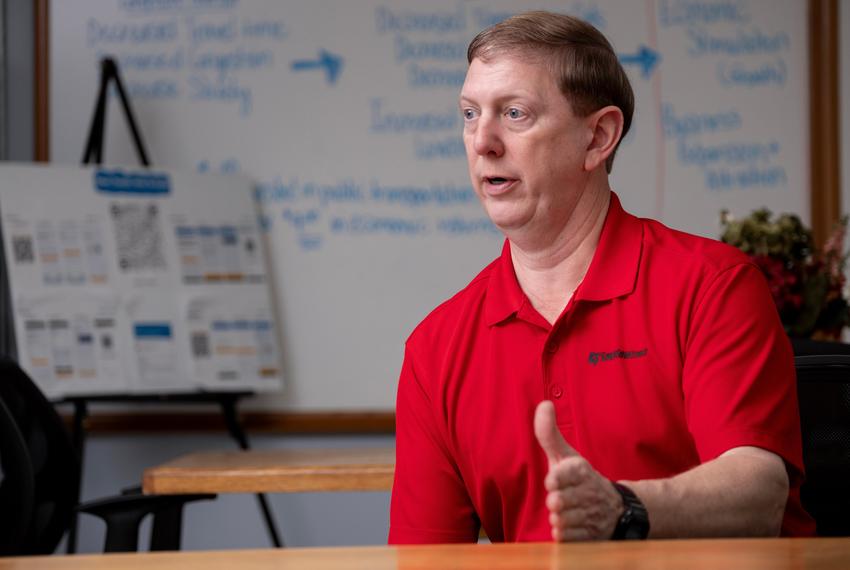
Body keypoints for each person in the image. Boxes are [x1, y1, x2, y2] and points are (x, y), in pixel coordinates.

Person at [388, 10, 815, 543]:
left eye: (515, 113)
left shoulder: (714, 285)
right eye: (470, 114)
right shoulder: (435, 349)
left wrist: (622, 508)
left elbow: (760, 494)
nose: (483, 142)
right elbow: (425, 557)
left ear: (598, 138)